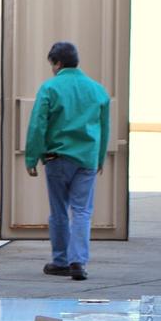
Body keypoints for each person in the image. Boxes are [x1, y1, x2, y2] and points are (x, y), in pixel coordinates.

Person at [25, 41, 110, 281]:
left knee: (59, 211)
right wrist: (100, 157)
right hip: (87, 159)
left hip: (57, 158)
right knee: (82, 211)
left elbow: (38, 125)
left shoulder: (50, 88)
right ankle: (78, 262)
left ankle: (60, 260)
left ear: (57, 63)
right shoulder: (97, 90)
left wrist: (32, 157)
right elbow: (104, 128)